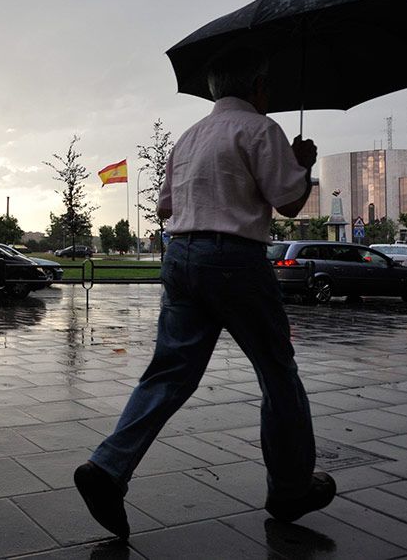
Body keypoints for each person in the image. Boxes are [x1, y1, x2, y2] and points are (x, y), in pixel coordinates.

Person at [74, 47, 334, 538]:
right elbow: (289, 203)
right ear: (257, 85)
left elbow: (166, 207)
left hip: (181, 258)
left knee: (168, 373)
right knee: (278, 373)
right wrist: (303, 165)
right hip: (235, 259)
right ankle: (290, 488)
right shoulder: (262, 130)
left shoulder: (189, 136)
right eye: (267, 86)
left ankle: (108, 468)